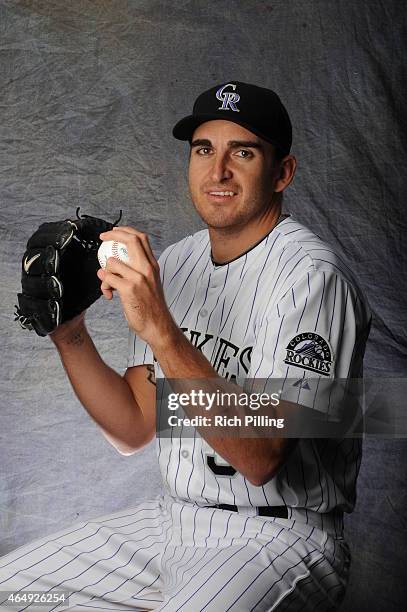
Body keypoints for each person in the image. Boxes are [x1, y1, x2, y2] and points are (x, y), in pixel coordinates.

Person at [0, 81, 371, 611]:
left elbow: (261, 456)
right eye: (203, 150)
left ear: (282, 171)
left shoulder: (310, 279)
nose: (218, 171)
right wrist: (69, 332)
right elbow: (133, 426)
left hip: (274, 539)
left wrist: (161, 329)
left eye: (242, 151)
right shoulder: (177, 263)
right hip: (170, 523)